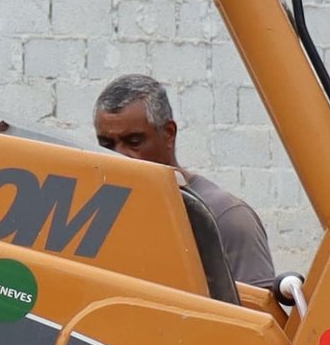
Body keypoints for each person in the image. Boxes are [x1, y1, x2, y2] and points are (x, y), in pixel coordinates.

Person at [92, 71, 282, 294]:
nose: (119, 155)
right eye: (106, 145)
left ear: (169, 134)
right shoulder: (98, 216)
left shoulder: (225, 218)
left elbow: (257, 318)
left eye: (134, 142)